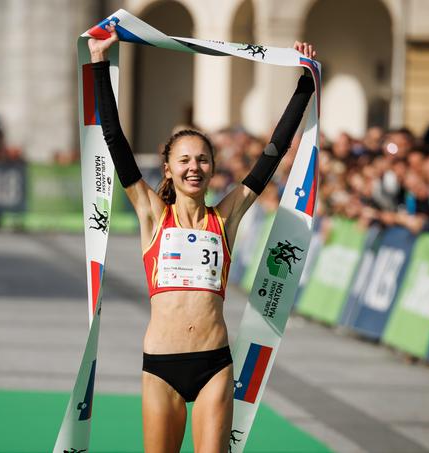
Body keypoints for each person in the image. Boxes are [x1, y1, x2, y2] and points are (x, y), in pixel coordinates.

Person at [89, 26, 316, 452]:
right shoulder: (152, 213)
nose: (195, 167)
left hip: (214, 363)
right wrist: (100, 61)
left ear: (213, 167)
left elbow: (272, 152)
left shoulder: (226, 216)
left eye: (203, 159)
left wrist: (304, 82)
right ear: (169, 168)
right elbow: (115, 140)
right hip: (161, 365)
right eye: (185, 160)